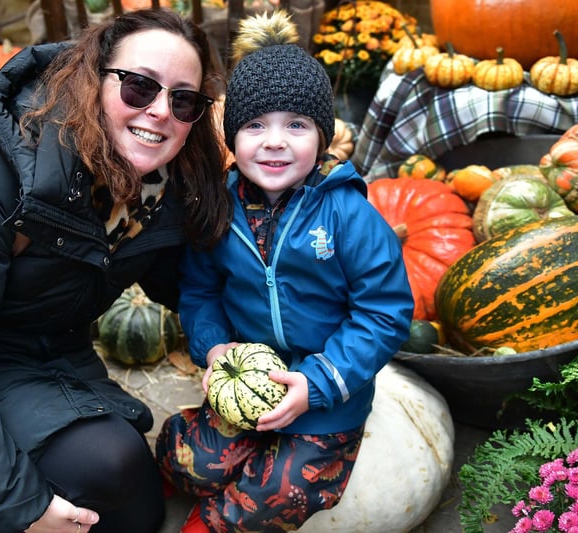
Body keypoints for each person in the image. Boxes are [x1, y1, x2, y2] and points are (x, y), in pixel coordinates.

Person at [0, 8, 229, 533]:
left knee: (137, 515)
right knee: (105, 465)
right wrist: (21, 507)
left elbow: (185, 285)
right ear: (93, 81)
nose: (162, 111)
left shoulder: (159, 189)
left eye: (183, 99)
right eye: (140, 87)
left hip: (48, 339)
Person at [155, 11, 414, 533]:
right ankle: (187, 472)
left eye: (295, 125)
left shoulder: (349, 215)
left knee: (283, 490)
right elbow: (201, 290)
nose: (275, 141)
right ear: (233, 136)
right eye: (255, 125)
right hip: (248, 379)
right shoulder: (219, 209)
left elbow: (384, 313)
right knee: (193, 461)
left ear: (322, 137)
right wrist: (213, 347)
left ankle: (214, 523)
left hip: (326, 395)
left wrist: (318, 383)